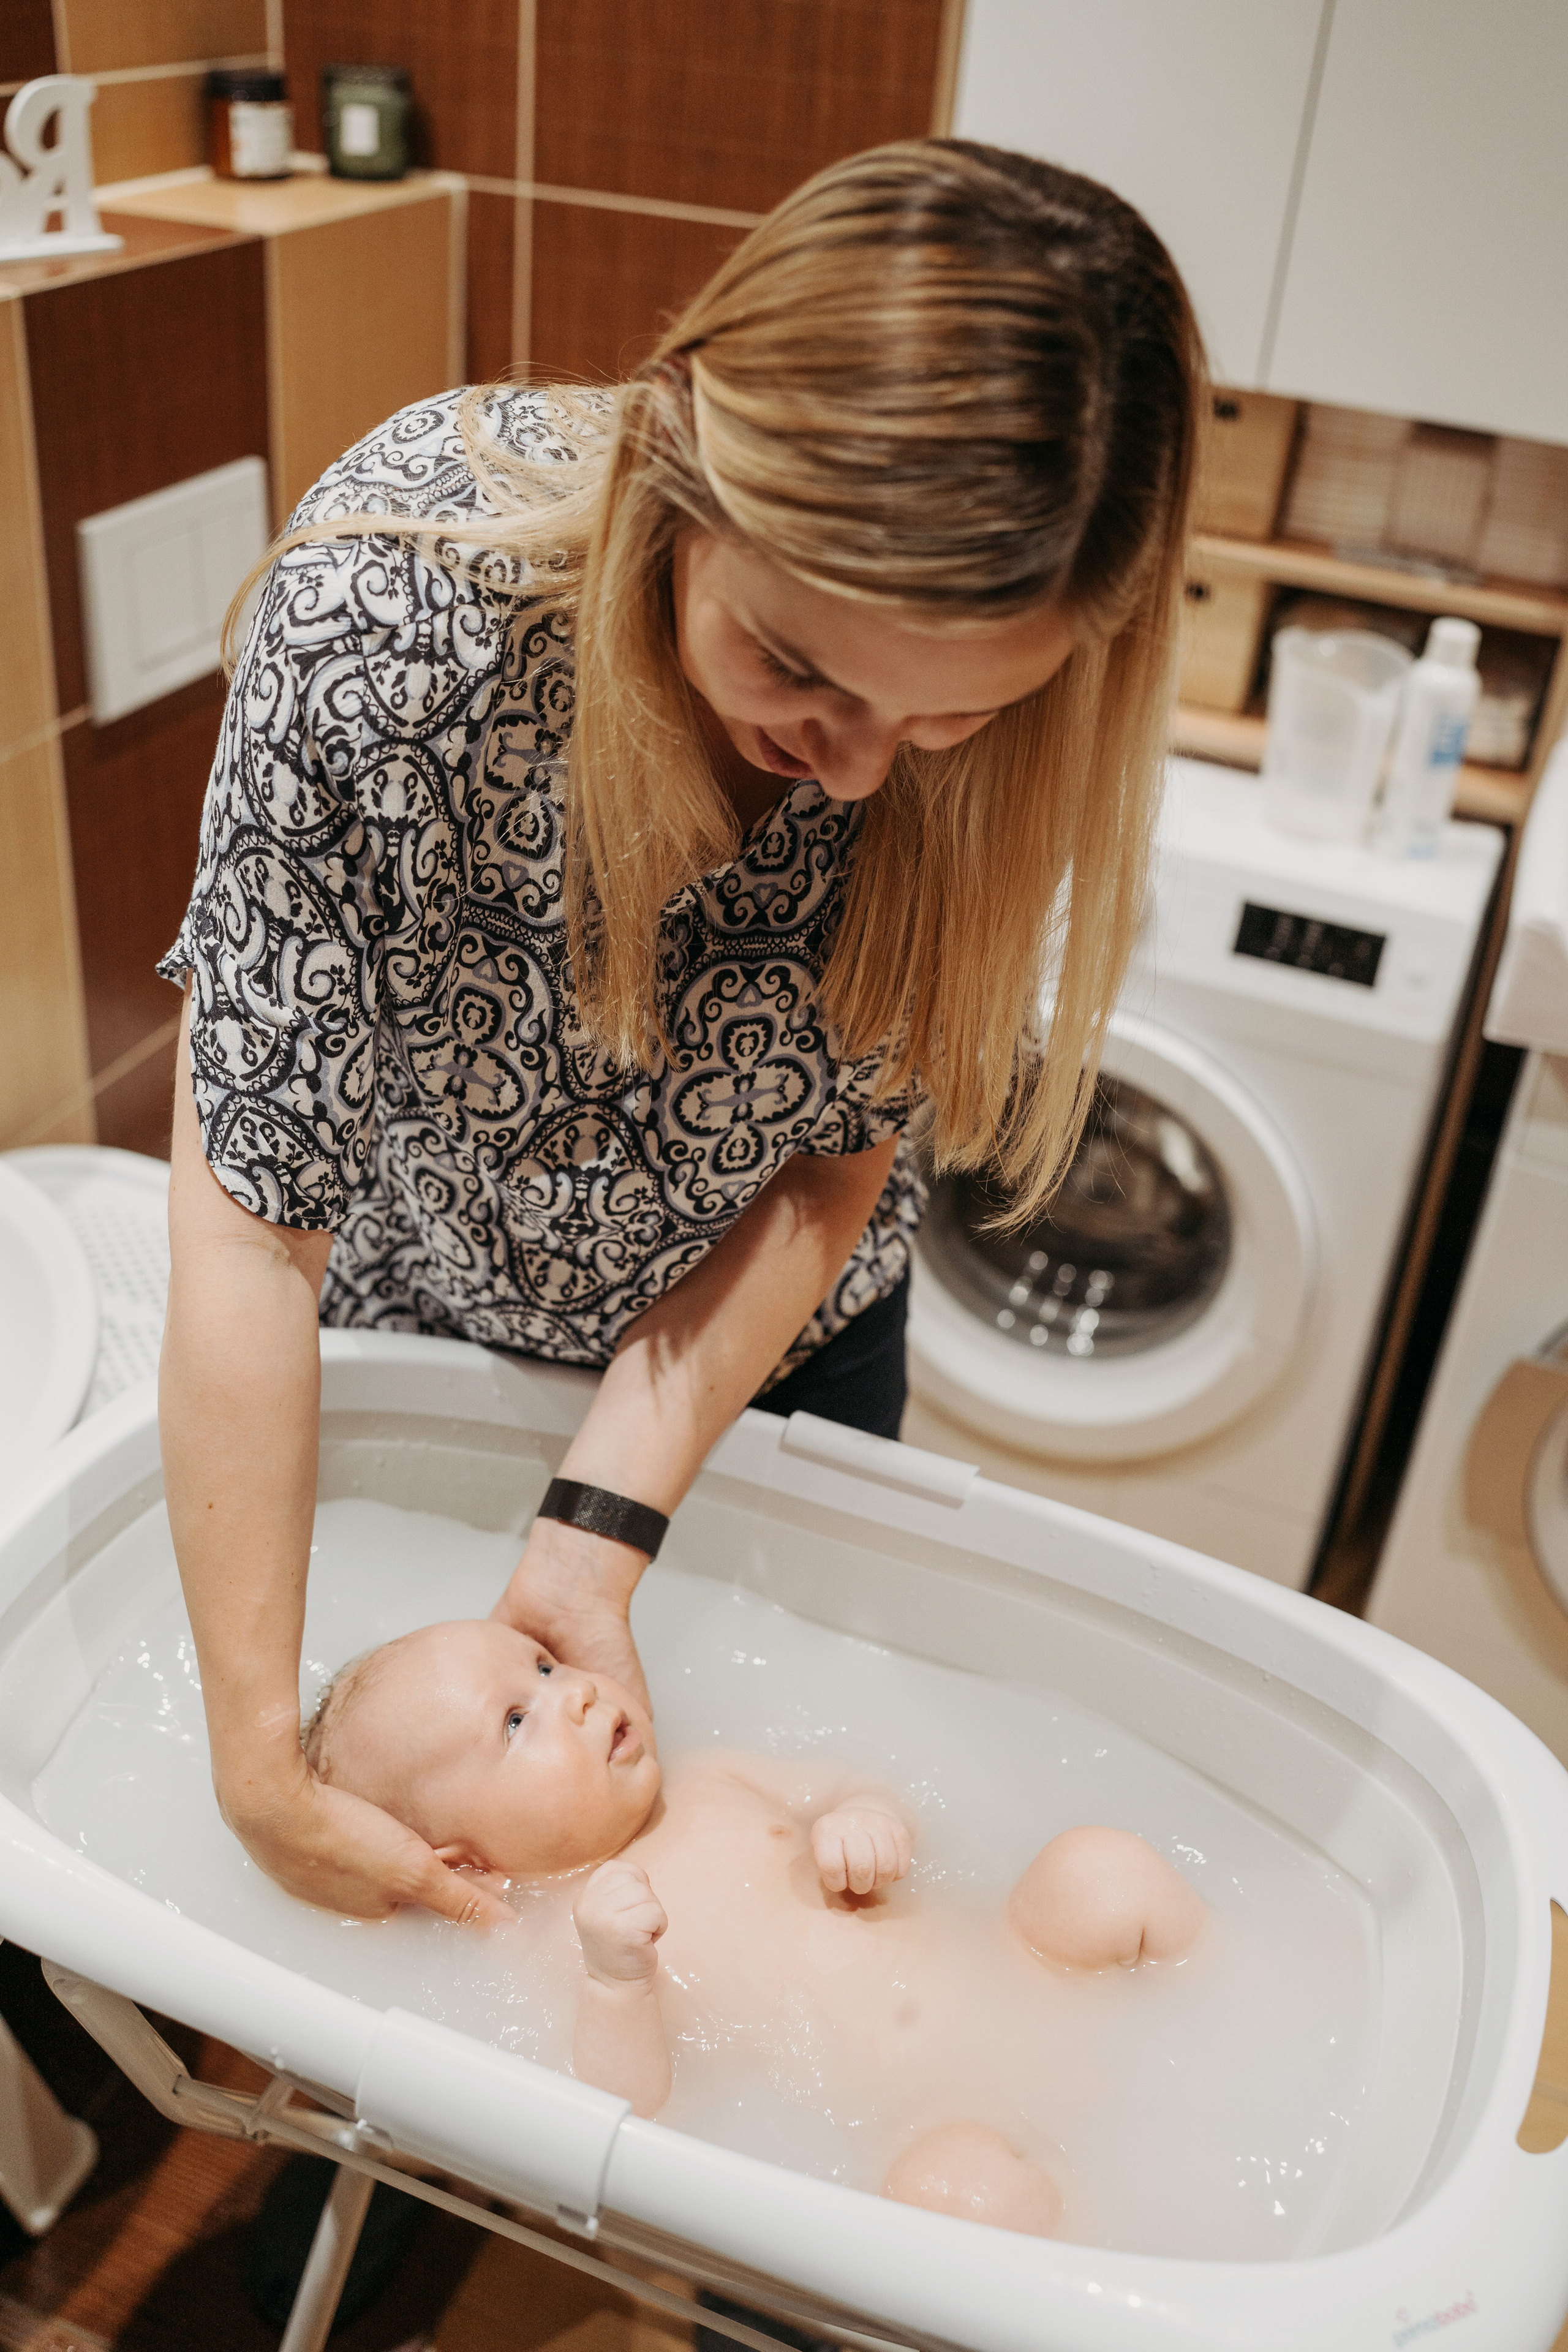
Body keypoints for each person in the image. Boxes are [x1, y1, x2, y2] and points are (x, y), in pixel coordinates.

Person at [158, 136, 1202, 1928]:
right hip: (430, 1325)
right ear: (671, 466)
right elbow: (255, 1219)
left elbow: (838, 1154)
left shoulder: (1014, 748)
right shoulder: (398, 629)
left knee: (788, 1897)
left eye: (945, 718)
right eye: (801, 666)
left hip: (777, 1355)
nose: (862, 767)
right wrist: (259, 1753)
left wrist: (604, 1523)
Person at [304, 1615, 1207, 2233]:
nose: (574, 1692)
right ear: (469, 1864)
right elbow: (631, 2106)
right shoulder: (566, 1936)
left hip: (1023, 1967)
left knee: (1097, 1868)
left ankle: (1247, 1980)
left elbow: (853, 1779)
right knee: (947, 2198)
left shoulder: (714, 1774)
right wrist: (618, 1985)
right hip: (939, 2114)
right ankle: (1122, 2240)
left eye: (543, 1665)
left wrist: (868, 1816)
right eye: (515, 1719)